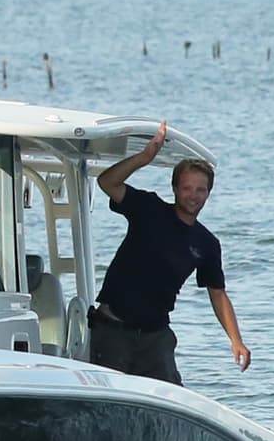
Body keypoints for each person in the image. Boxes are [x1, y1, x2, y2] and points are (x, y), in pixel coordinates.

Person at [89, 120, 251, 385]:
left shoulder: (206, 243)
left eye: (200, 190)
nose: (193, 196)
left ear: (208, 193)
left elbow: (218, 294)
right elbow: (107, 182)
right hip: (112, 329)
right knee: (110, 394)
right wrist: (144, 158)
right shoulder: (149, 209)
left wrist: (236, 341)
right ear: (175, 188)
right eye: (187, 188)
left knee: (171, 393)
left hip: (156, 337)